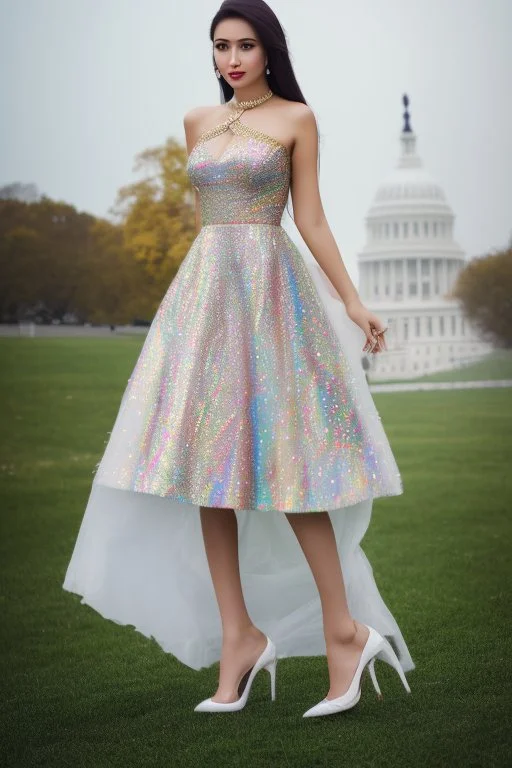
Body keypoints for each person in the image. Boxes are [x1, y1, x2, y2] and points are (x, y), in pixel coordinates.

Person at [63, 0, 415, 718]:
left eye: (246, 45)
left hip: (272, 296)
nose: (232, 58)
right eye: (221, 45)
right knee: (207, 472)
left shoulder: (296, 119)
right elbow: (207, 222)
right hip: (206, 298)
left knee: (290, 470)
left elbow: (308, 216)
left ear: (268, 50)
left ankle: (345, 632)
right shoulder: (197, 121)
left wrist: (351, 302)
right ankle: (239, 638)